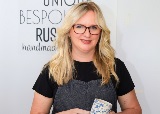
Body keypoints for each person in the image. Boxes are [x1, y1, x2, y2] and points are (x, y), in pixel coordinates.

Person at [30, 1, 142, 114]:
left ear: (101, 32)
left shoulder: (115, 67)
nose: (87, 34)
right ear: (69, 31)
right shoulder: (52, 69)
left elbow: (135, 110)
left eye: (93, 27)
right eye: (79, 27)